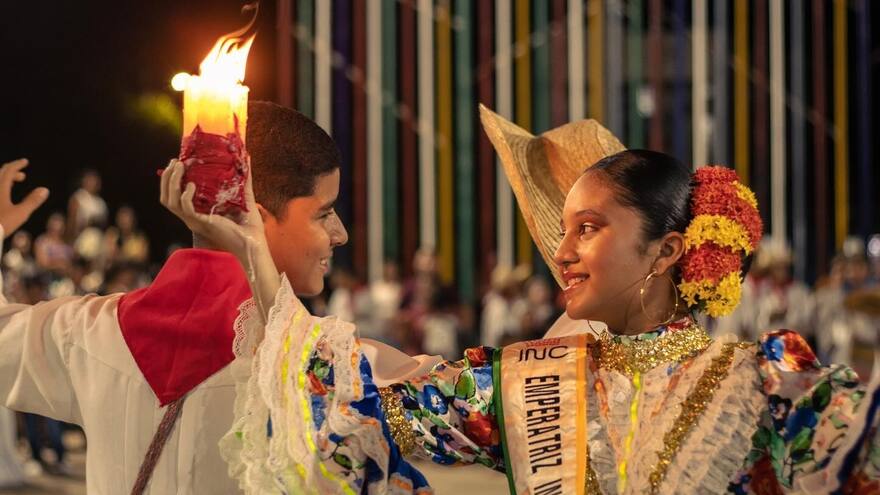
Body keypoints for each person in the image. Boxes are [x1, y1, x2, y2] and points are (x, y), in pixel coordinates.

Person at [187, 107, 880, 494]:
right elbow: (350, 388)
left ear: (666, 252)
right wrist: (251, 250)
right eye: (562, 229)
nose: (562, 251)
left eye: (589, 228)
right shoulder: (521, 380)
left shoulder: (765, 381)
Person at [0, 102, 363, 494]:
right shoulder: (326, 364)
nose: (340, 233)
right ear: (255, 218)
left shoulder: (89, 331)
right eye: (323, 212)